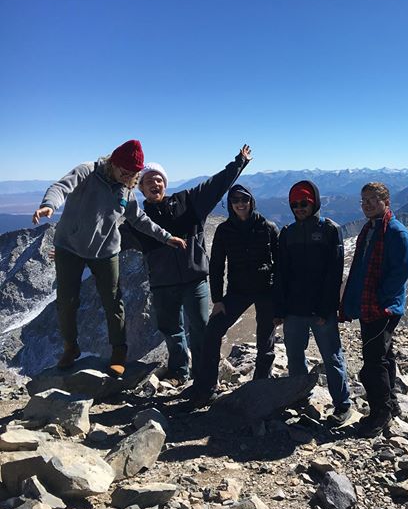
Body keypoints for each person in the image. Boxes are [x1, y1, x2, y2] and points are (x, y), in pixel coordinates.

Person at [32, 139, 186, 376]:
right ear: (112, 163)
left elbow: (139, 219)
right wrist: (48, 205)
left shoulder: (127, 189)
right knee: (66, 301)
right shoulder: (88, 171)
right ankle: (70, 347)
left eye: (132, 175)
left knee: (113, 302)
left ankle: (119, 352)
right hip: (69, 246)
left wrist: (166, 237)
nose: (127, 178)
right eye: (124, 172)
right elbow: (61, 187)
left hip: (105, 251)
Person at [123, 144, 251, 386]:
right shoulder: (137, 222)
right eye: (148, 181)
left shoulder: (188, 201)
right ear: (140, 188)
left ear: (165, 183)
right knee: (172, 330)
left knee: (202, 329)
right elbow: (110, 240)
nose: (154, 184)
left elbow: (216, 185)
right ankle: (180, 372)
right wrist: (74, 249)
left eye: (158, 179)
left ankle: (203, 377)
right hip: (163, 285)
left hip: (194, 280)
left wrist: (239, 163)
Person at [190, 184, 279, 404]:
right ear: (230, 204)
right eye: (235, 200)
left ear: (251, 201)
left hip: (266, 290)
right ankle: (206, 388)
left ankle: (260, 388)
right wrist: (217, 300)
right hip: (237, 291)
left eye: (244, 199)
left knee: (265, 341)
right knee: (213, 332)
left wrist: (281, 301)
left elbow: (282, 266)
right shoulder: (224, 230)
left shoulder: (268, 227)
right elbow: (217, 266)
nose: (240, 203)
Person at [273, 181, 352, 426]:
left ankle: (343, 404)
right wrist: (279, 309)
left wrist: (326, 308)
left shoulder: (329, 230)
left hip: (321, 310)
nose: (299, 208)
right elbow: (281, 273)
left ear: (314, 202)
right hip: (294, 309)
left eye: (304, 203)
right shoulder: (287, 233)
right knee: (295, 356)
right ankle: (299, 397)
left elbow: (334, 272)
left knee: (332, 357)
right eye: (294, 204)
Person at [340, 182, 408, 437]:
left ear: (386, 201)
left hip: (382, 308)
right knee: (384, 355)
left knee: (373, 362)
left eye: (372, 199)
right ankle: (390, 403)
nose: (367, 204)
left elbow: (401, 272)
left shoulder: (396, 232)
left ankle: (379, 415)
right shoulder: (371, 229)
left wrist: (380, 301)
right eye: (363, 200)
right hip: (371, 304)